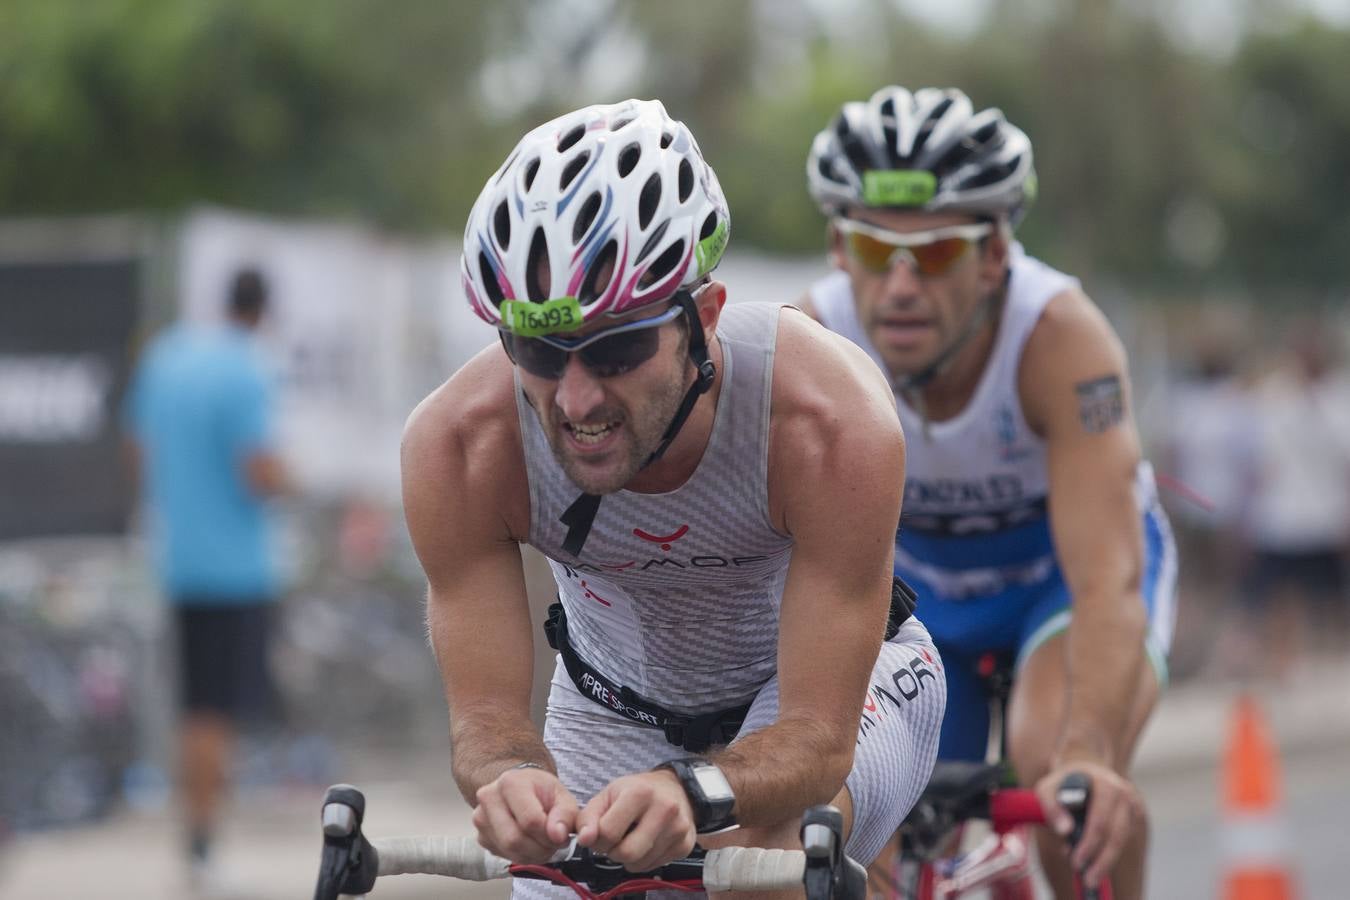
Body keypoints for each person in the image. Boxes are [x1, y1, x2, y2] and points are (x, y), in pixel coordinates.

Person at [401, 98, 946, 898]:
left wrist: (694, 788)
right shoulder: (462, 445)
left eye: (616, 347)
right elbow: (484, 720)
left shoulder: (827, 421)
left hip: (819, 702)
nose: (577, 399)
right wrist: (512, 777)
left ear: (705, 320)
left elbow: (818, 737)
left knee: (764, 867)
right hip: (608, 710)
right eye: (538, 350)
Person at [799, 86, 1177, 899]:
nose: (899, 285)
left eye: (936, 254)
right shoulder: (813, 347)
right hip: (921, 597)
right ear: (837, 247)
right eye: (874, 250)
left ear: (995, 256)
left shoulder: (1061, 340)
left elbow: (1107, 580)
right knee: (869, 825)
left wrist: (1087, 758)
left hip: (1059, 586)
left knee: (1058, 786)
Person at [124, 267, 289, 890]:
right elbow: (261, 471)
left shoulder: (166, 356)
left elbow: (136, 451)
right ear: (262, 310)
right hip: (235, 570)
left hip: (178, 562)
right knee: (212, 714)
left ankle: (197, 838)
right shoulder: (247, 368)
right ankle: (200, 847)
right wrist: (296, 482)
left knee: (195, 706)